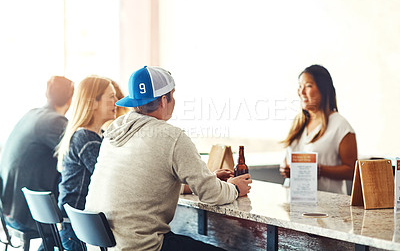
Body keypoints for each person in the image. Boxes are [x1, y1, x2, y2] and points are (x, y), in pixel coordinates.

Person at [85, 66, 252, 251]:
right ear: (164, 100)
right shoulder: (171, 136)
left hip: (100, 245)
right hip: (140, 246)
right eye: (173, 94)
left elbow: (146, 182)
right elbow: (211, 194)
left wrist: (208, 178)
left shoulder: (113, 133)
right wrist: (235, 188)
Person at [0, 76, 74, 249]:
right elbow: (75, 156)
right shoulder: (55, 121)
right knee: (70, 218)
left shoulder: (32, 113)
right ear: (71, 100)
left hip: (9, 206)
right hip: (27, 212)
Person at [56, 76, 117, 250]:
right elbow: (110, 178)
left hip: (77, 226)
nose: (116, 101)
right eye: (111, 96)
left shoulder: (93, 135)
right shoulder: (86, 139)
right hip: (77, 231)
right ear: (94, 102)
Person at [280, 64, 357, 194]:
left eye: (308, 86)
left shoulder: (341, 126)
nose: (302, 92)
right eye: (300, 87)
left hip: (327, 207)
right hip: (294, 202)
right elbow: (289, 156)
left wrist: (318, 170)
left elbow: (352, 171)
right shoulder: (298, 123)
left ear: (323, 89)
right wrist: (285, 168)